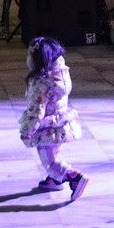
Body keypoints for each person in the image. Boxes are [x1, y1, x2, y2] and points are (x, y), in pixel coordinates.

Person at [18, 37, 87, 200]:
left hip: (47, 127)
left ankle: (74, 177)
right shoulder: (60, 74)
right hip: (60, 121)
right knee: (54, 153)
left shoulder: (41, 84)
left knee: (49, 161)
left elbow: (36, 111)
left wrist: (28, 130)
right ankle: (55, 180)